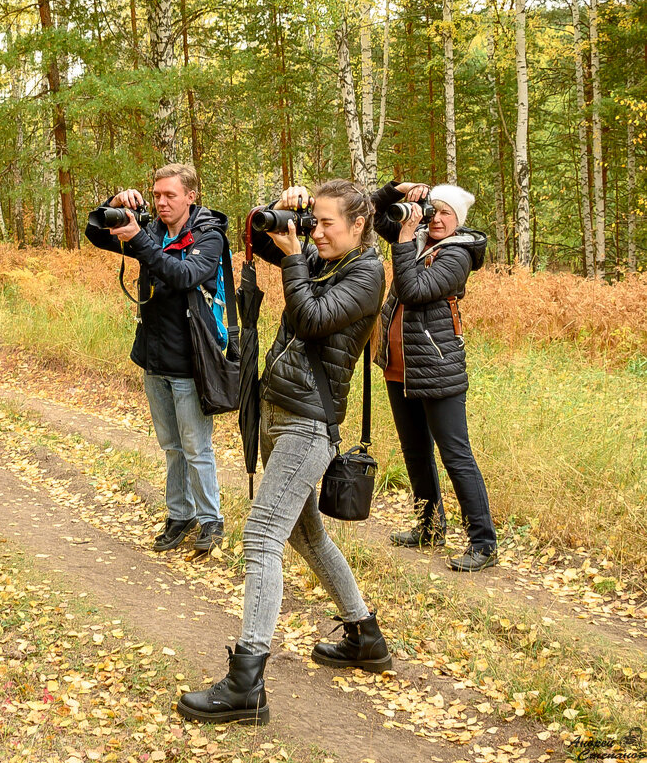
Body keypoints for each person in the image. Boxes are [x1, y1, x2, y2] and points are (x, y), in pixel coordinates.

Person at [177, 179, 390, 726]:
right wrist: (279, 207)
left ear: (359, 225)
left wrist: (297, 256)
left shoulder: (367, 273)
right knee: (305, 534)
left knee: (261, 535)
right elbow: (256, 231)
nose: (315, 232)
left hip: (309, 425)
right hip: (278, 415)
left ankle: (247, 683)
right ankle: (364, 635)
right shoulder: (322, 255)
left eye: (326, 224)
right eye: (312, 221)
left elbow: (312, 318)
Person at [84, 163, 227, 553]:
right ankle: (179, 515)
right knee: (171, 446)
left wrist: (140, 241)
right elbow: (95, 234)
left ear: (191, 196)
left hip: (192, 358)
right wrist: (112, 204)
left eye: (171, 196)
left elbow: (184, 275)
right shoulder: (151, 230)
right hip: (154, 356)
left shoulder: (209, 234)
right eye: (157, 195)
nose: (162, 203)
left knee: (197, 446)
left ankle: (211, 520)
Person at [372, 181, 497, 572]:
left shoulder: (456, 255)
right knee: (415, 451)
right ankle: (429, 527)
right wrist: (396, 190)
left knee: (455, 454)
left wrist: (407, 237)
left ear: (458, 221)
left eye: (446, 213)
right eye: (433, 210)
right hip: (400, 366)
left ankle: (484, 543)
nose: (438, 218)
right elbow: (373, 216)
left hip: (438, 367)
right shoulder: (419, 237)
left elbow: (411, 290)